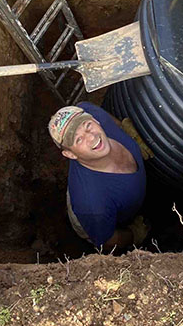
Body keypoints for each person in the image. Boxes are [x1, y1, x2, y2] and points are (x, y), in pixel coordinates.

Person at [49, 102, 148, 251]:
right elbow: (106, 241)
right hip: (90, 219)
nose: (91, 137)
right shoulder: (93, 205)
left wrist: (126, 130)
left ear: (95, 119)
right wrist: (133, 235)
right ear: (70, 154)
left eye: (88, 126)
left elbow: (96, 112)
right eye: (78, 140)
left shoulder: (91, 111)